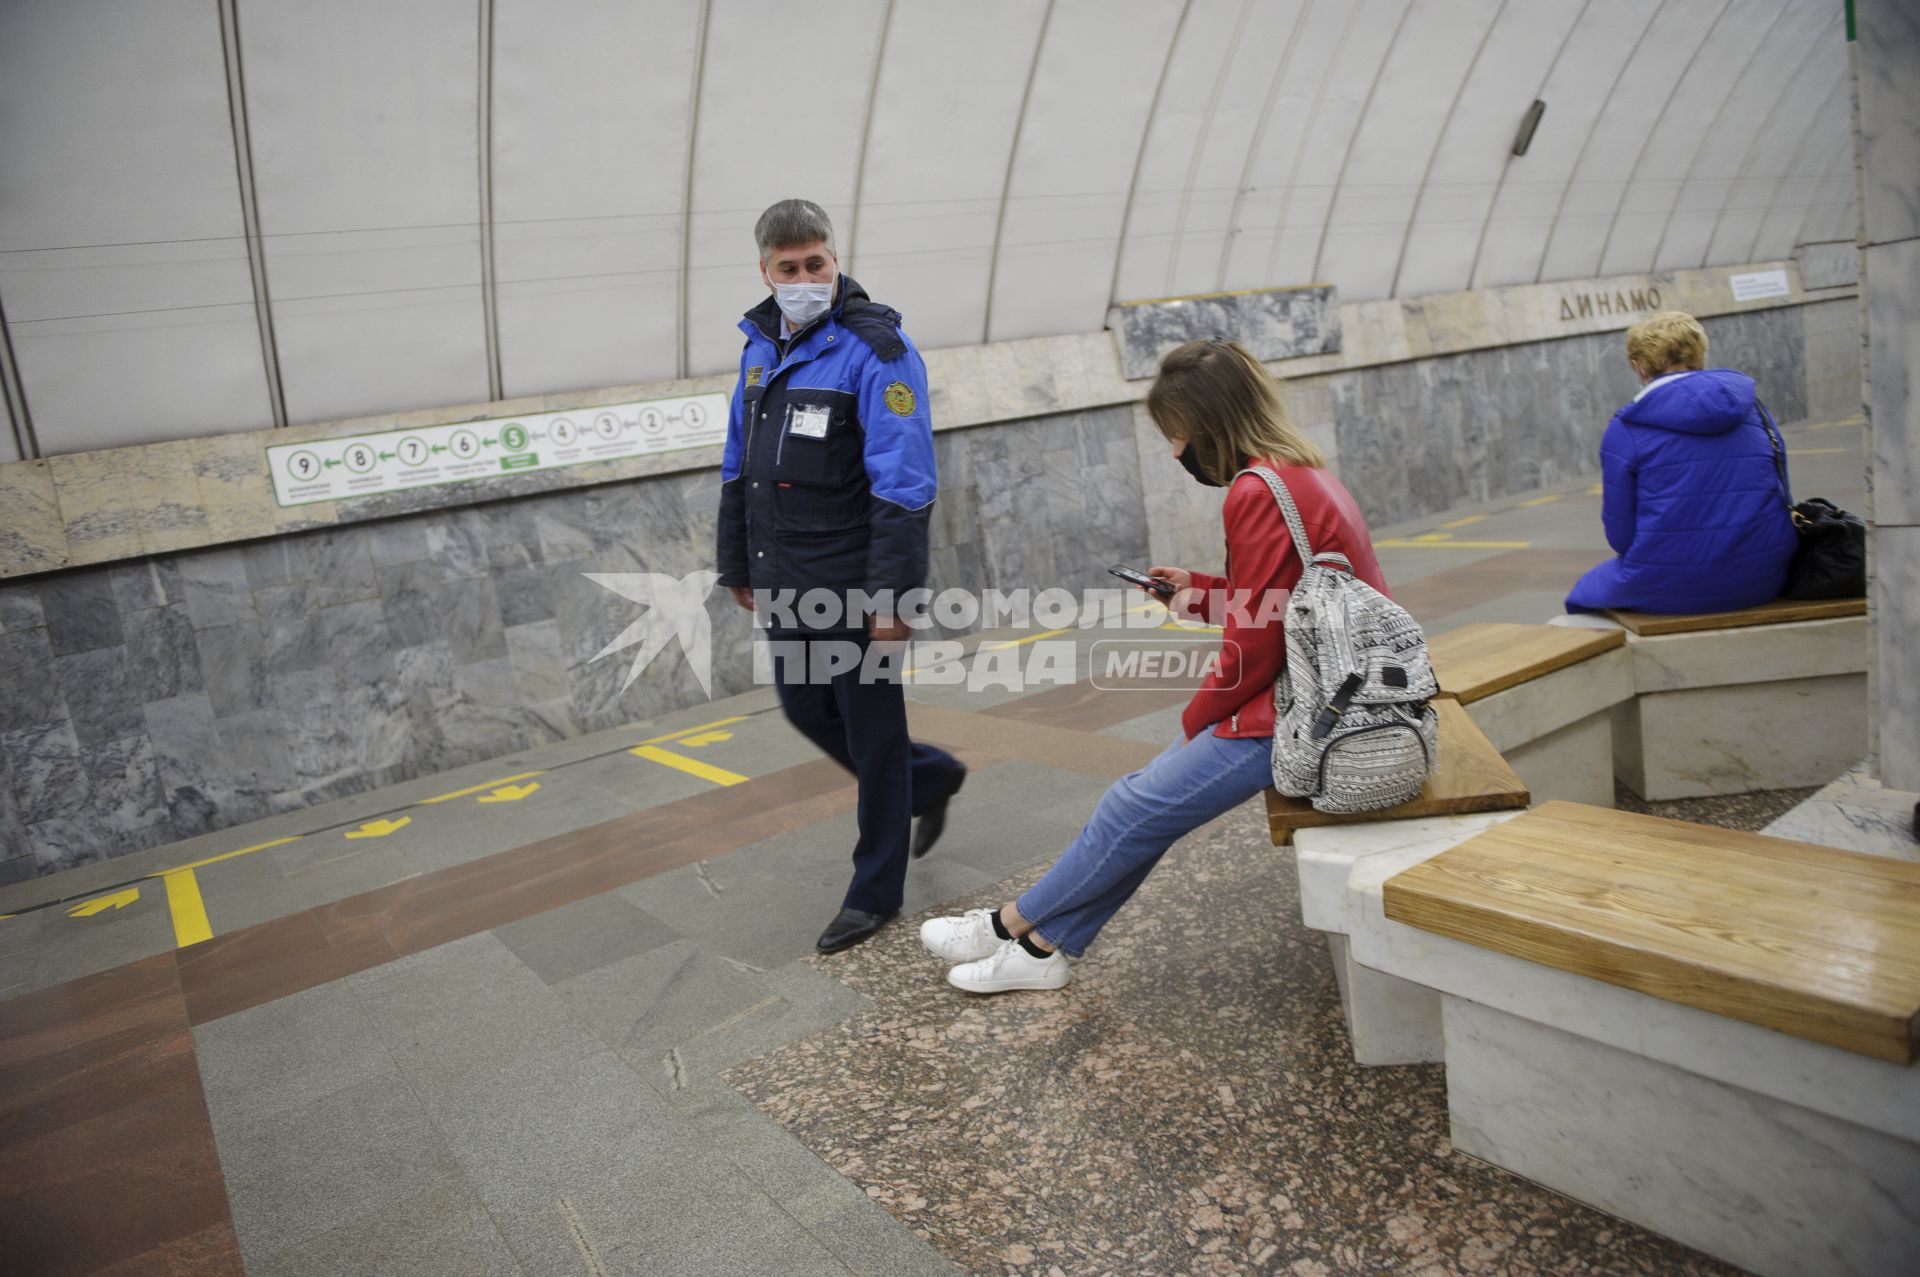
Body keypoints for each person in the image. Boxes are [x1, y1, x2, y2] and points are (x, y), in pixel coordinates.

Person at [919, 339, 1387, 993]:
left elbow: (1255, 644)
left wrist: (1199, 717)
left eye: (1177, 434)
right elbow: (1281, 604)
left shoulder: (1256, 490)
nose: (1174, 452)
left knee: (1129, 807)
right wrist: (1194, 588)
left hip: (1305, 708)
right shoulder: (1302, 473)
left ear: (1212, 424)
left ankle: (1005, 926)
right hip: (1326, 687)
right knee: (1140, 808)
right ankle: (1044, 949)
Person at [716, 198, 967, 955]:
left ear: (834, 259)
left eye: (815, 264)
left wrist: (892, 598)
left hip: (856, 582)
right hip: (787, 574)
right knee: (804, 708)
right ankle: (931, 778)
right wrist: (737, 559)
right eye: (787, 268)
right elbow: (739, 462)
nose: (803, 278)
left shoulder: (878, 351)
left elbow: (904, 479)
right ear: (765, 270)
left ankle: (874, 891)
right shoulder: (760, 346)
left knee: (872, 730)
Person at [1564, 310, 1797, 615]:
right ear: (1699, 355)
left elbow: (1620, 537)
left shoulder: (1627, 427)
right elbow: (1783, 493)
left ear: (1637, 365)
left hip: (1670, 585)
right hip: (1765, 575)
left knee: (1582, 596)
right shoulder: (1754, 408)